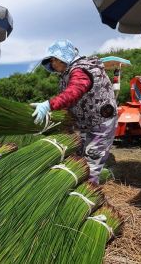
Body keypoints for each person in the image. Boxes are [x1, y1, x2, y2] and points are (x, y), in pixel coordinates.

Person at [31, 39, 117, 185]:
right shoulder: (68, 72)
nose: (52, 64)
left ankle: (87, 197)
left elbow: (74, 91)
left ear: (62, 57)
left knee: (91, 165)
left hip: (101, 124)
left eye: (53, 60)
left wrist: (49, 105)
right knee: (80, 159)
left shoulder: (81, 70)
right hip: (85, 123)